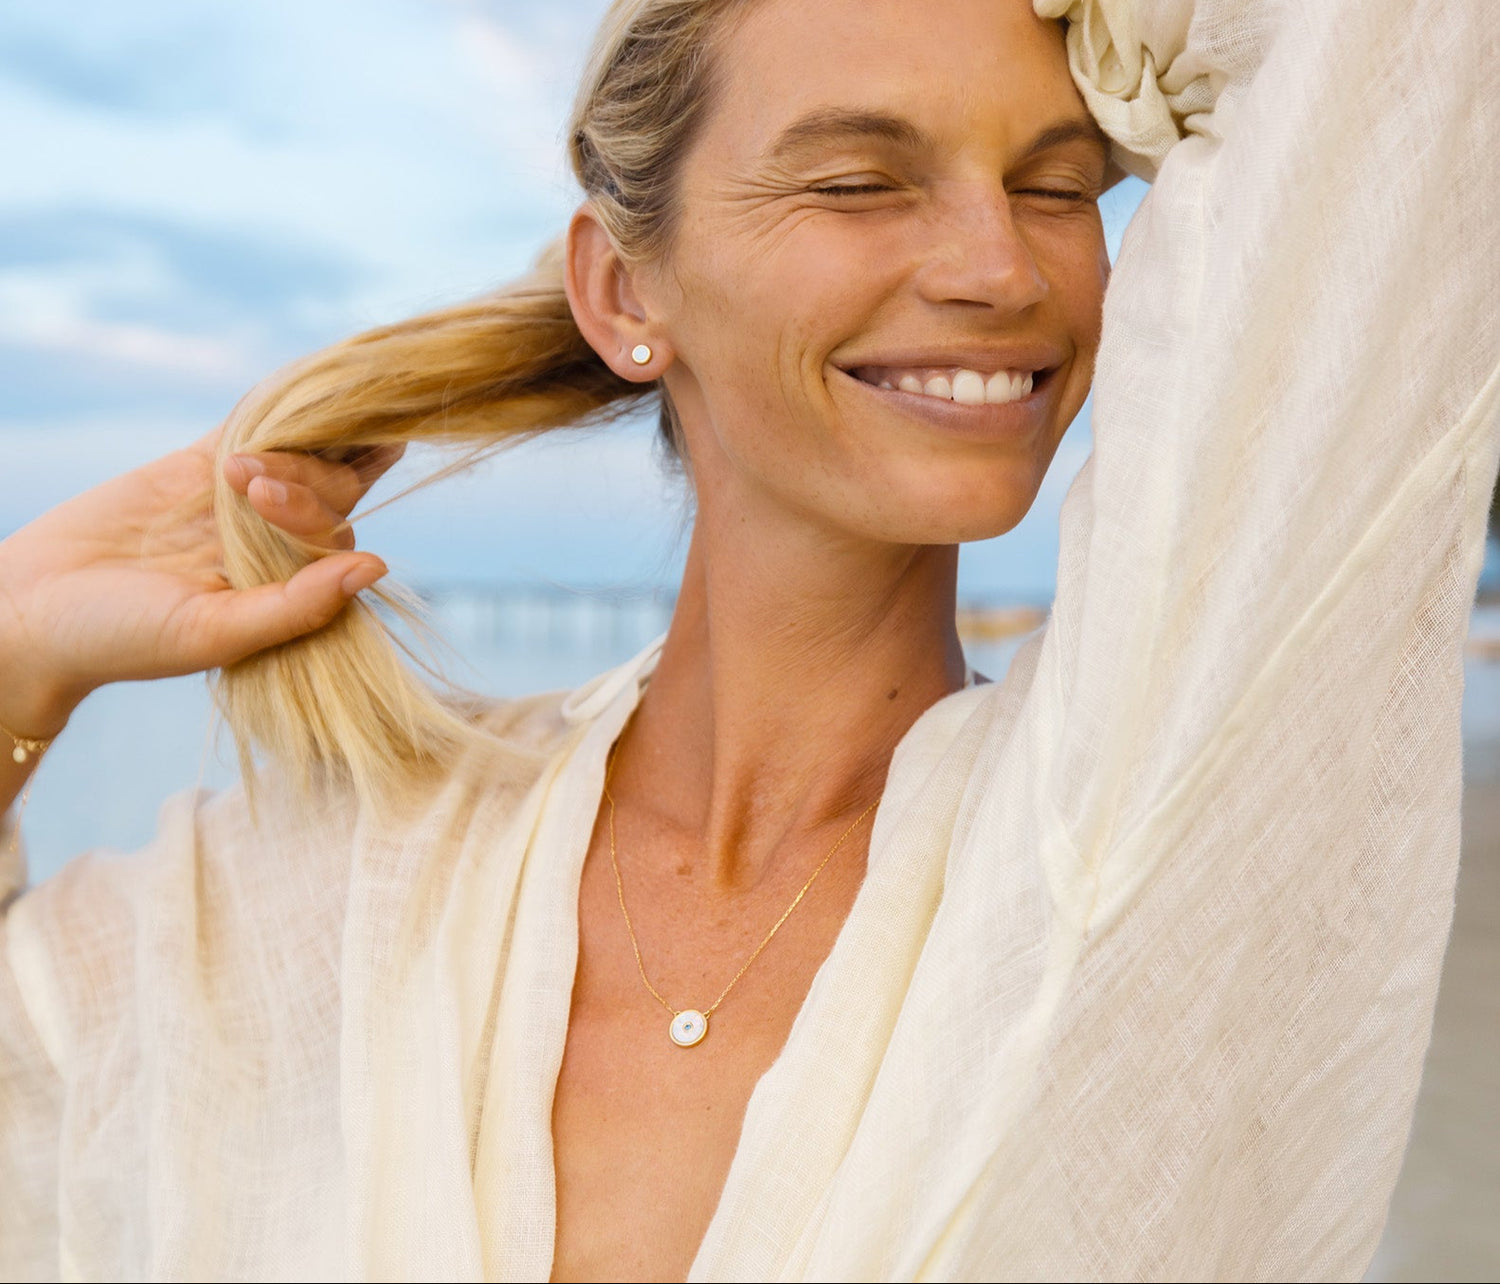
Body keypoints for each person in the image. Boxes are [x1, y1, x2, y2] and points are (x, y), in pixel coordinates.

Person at [1, 0, 1496, 1278]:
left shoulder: (1131, 837)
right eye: (858, 183)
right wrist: (18, 657)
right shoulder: (291, 915)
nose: (1003, 267)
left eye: (1059, 186)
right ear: (625, 287)